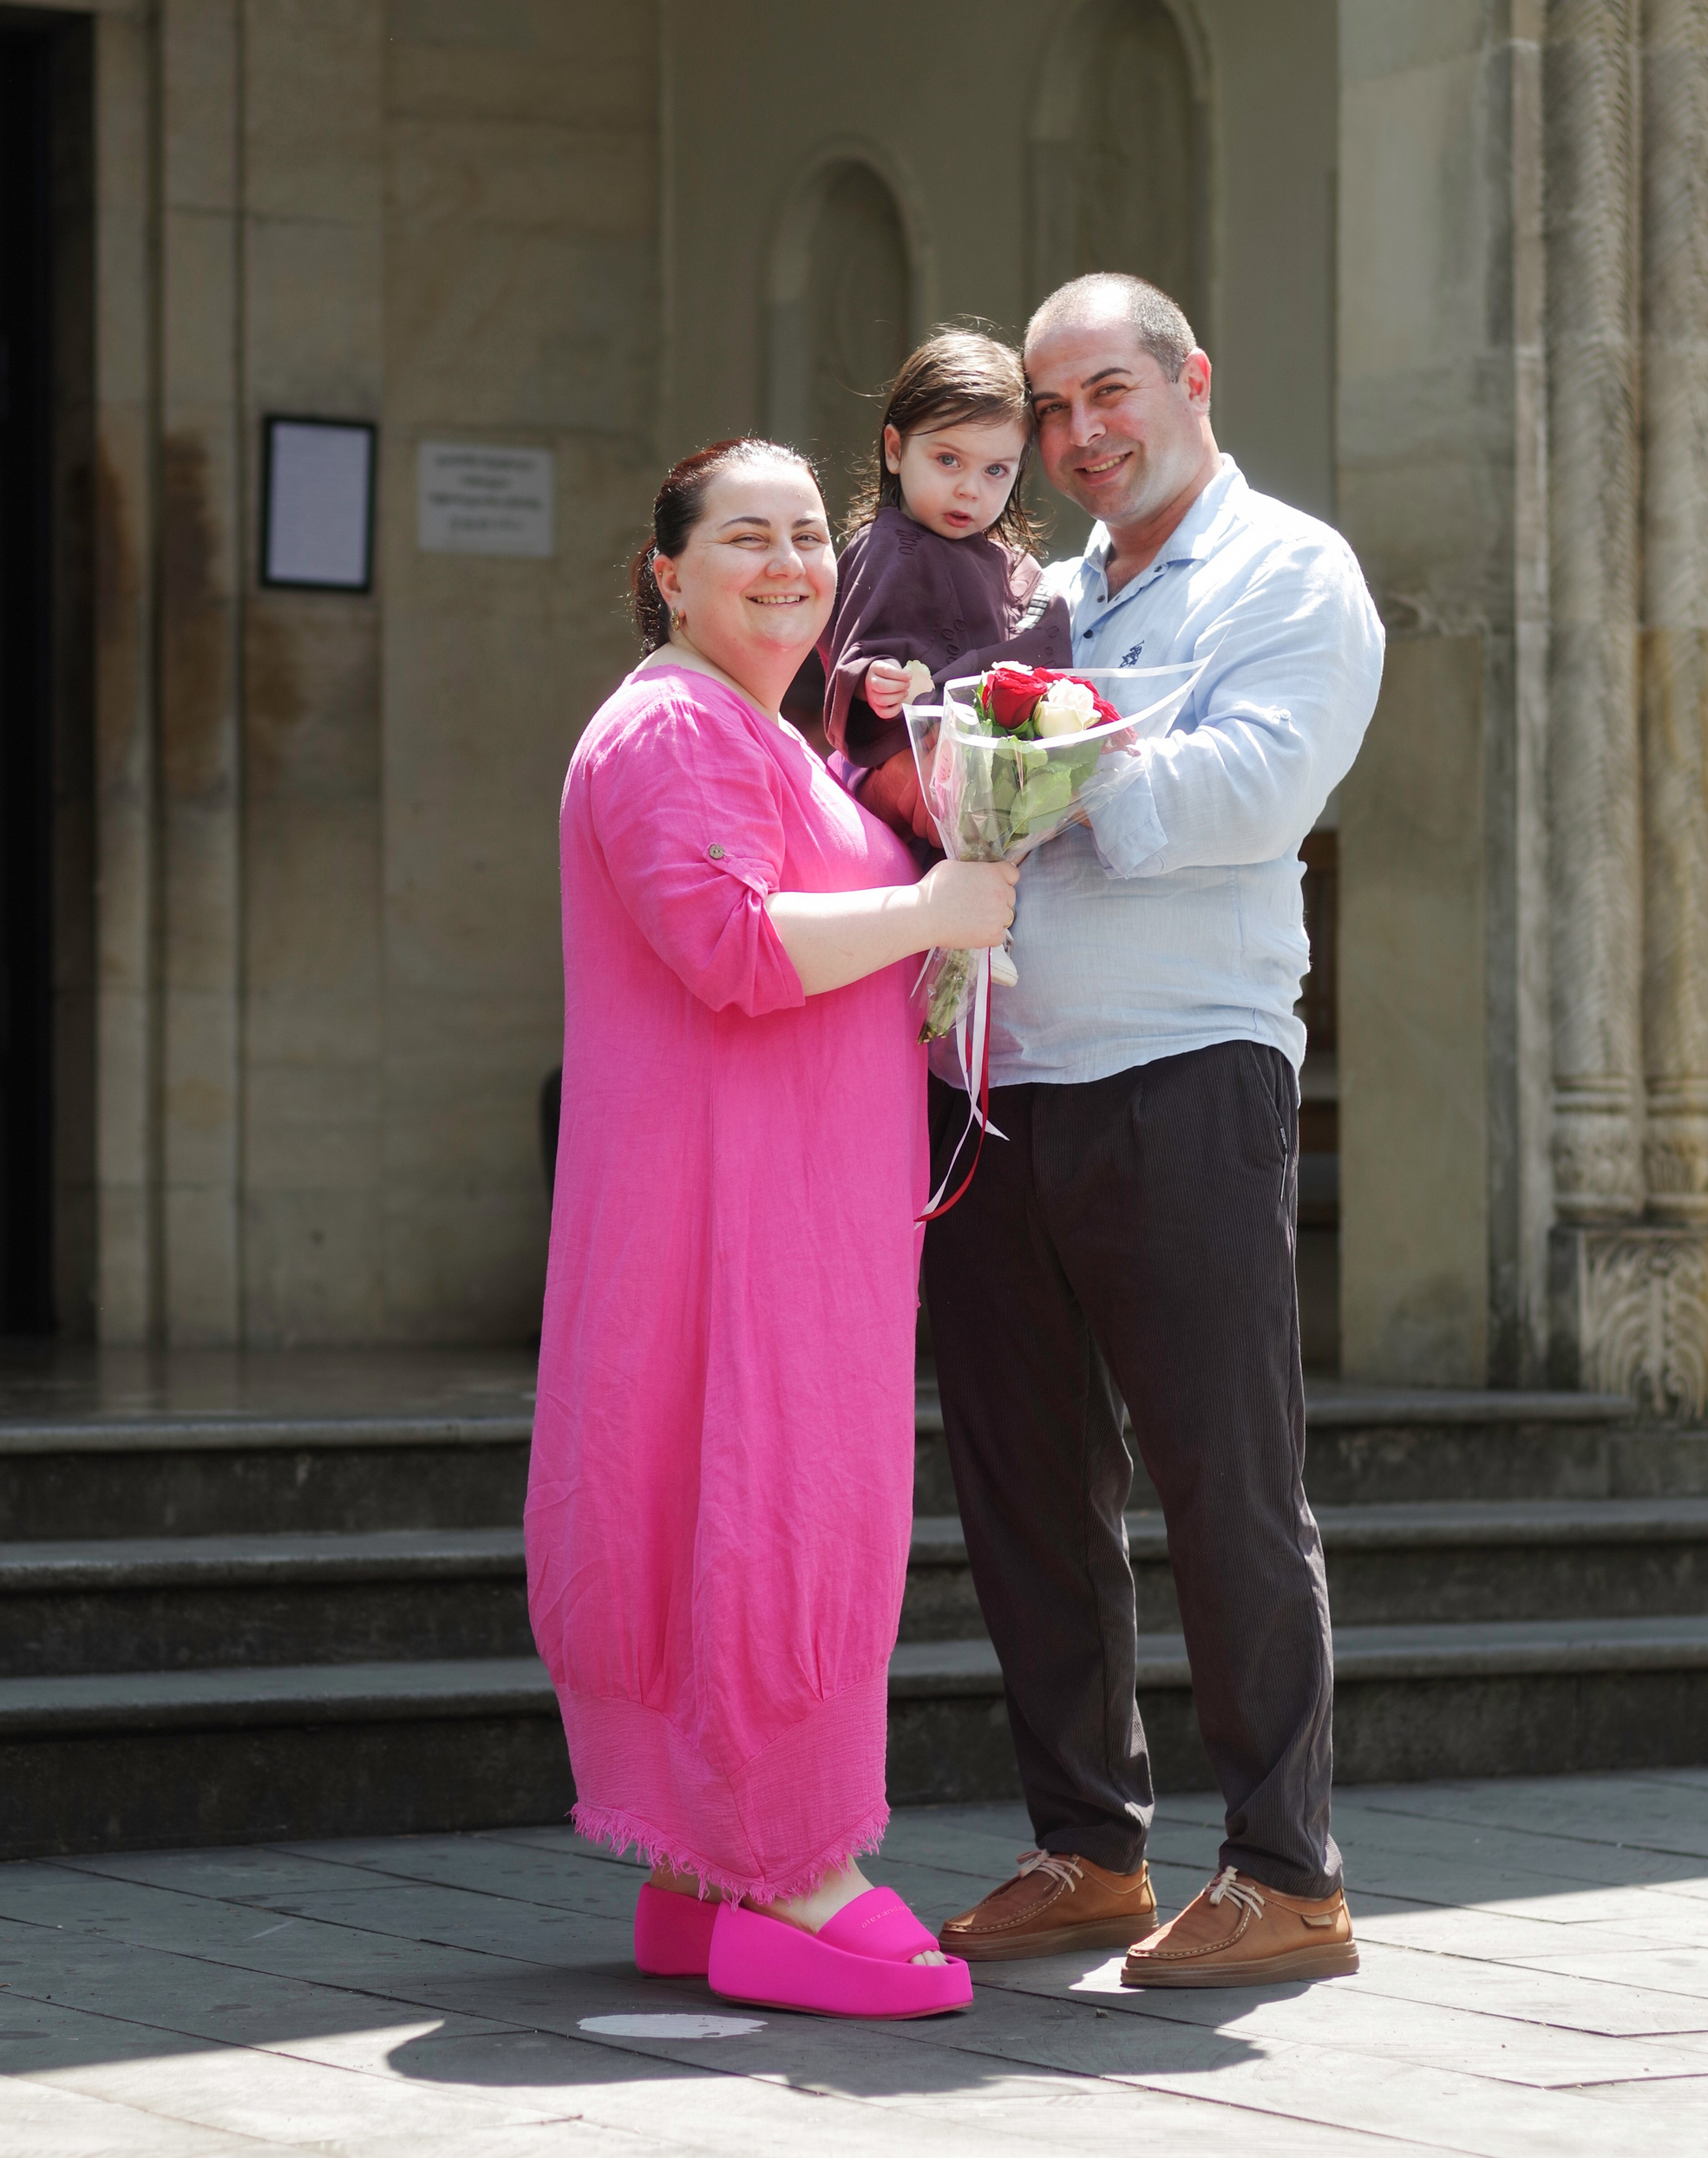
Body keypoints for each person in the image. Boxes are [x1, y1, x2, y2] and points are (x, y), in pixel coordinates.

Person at [926, 274, 1384, 1987]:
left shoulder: (1290, 571)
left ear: (1189, 376)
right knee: (1024, 1486)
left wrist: (1052, 749)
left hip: (1187, 1065)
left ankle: (1286, 1870)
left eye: (1105, 391)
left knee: (1223, 1482)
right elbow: (968, 798)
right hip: (1004, 1075)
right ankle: (1084, 1844)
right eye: (1048, 411)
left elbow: (1251, 793)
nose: (1075, 435)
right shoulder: (1038, 593)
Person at [527, 437, 1017, 2019]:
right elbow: (729, 945)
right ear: (665, 571)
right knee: (765, 1497)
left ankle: (706, 1882)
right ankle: (797, 1865)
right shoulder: (668, 728)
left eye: (810, 534)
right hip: (735, 1234)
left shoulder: (773, 736)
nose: (791, 563)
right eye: (747, 537)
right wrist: (936, 914)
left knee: (778, 1496)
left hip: (805, 1218)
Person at [821, 329, 1070, 844]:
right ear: (895, 449)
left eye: (995, 470)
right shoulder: (883, 546)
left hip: (986, 786)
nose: (968, 488)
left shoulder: (1014, 570)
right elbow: (850, 649)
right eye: (948, 460)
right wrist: (872, 679)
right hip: (901, 785)